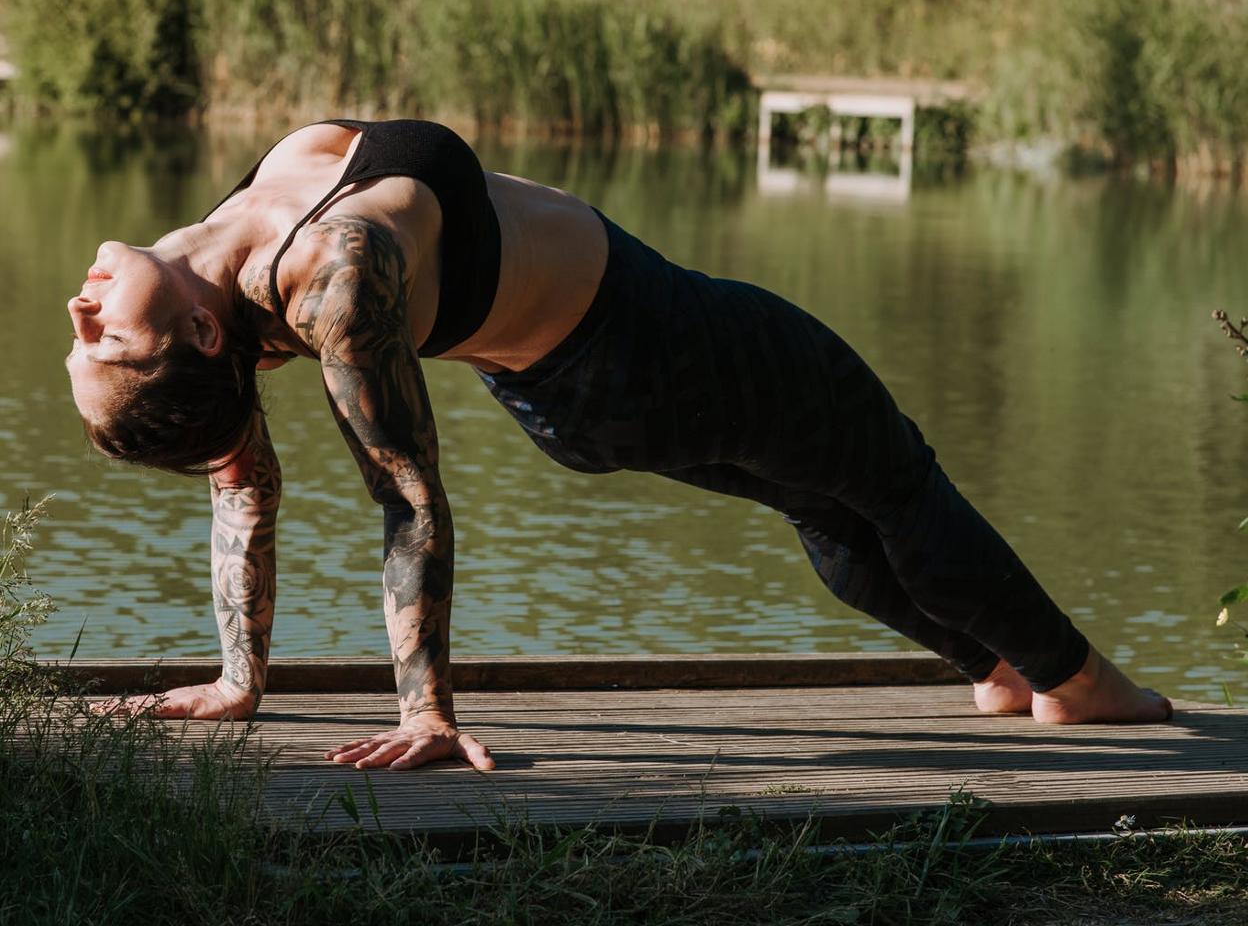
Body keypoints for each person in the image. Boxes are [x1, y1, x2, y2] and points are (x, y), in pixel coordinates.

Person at [66, 119, 1172, 772]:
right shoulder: (329, 278)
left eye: (85, 336)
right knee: (885, 468)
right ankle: (1074, 680)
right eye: (104, 341)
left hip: (591, 381)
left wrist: (240, 681)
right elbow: (407, 500)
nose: (82, 310)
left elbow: (238, 470)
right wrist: (426, 713)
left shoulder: (223, 264)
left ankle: (994, 668)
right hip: (648, 348)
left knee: (828, 497)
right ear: (199, 332)